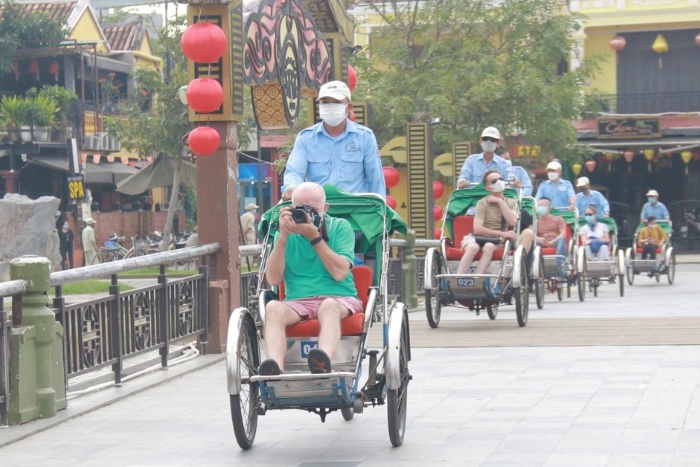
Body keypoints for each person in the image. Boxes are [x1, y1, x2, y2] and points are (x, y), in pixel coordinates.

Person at [259, 182, 363, 375]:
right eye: (301, 208)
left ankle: (321, 362)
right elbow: (273, 279)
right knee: (272, 308)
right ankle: (274, 369)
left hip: (339, 298)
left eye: (313, 209)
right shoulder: (286, 233)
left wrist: (314, 238)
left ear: (324, 209)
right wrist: (282, 237)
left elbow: (340, 273)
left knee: (328, 306)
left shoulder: (340, 227)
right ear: (291, 208)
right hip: (298, 301)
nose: (306, 214)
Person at [282, 81, 385, 200]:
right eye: (325, 102)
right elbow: (294, 171)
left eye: (337, 102)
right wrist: (291, 188)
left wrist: (381, 211)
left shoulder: (365, 137)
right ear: (319, 107)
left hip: (355, 210)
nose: (331, 106)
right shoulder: (305, 138)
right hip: (316, 210)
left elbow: (376, 180)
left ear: (349, 107)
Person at [457, 170, 535, 274]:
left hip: (496, 241)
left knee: (489, 247)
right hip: (476, 237)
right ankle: (458, 277)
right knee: (473, 247)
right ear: (488, 188)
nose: (499, 181)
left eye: (501, 179)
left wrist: (500, 202)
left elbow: (512, 221)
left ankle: (477, 278)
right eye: (494, 181)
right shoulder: (482, 203)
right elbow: (478, 229)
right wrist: (502, 233)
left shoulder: (511, 202)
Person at [535, 197, 568, 275]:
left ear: (549, 208)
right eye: (539, 205)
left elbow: (563, 233)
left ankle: (560, 264)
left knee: (562, 239)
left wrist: (553, 241)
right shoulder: (536, 221)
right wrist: (538, 238)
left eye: (542, 205)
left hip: (555, 240)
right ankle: (535, 265)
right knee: (534, 241)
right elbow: (531, 234)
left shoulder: (558, 219)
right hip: (542, 242)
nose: (540, 207)